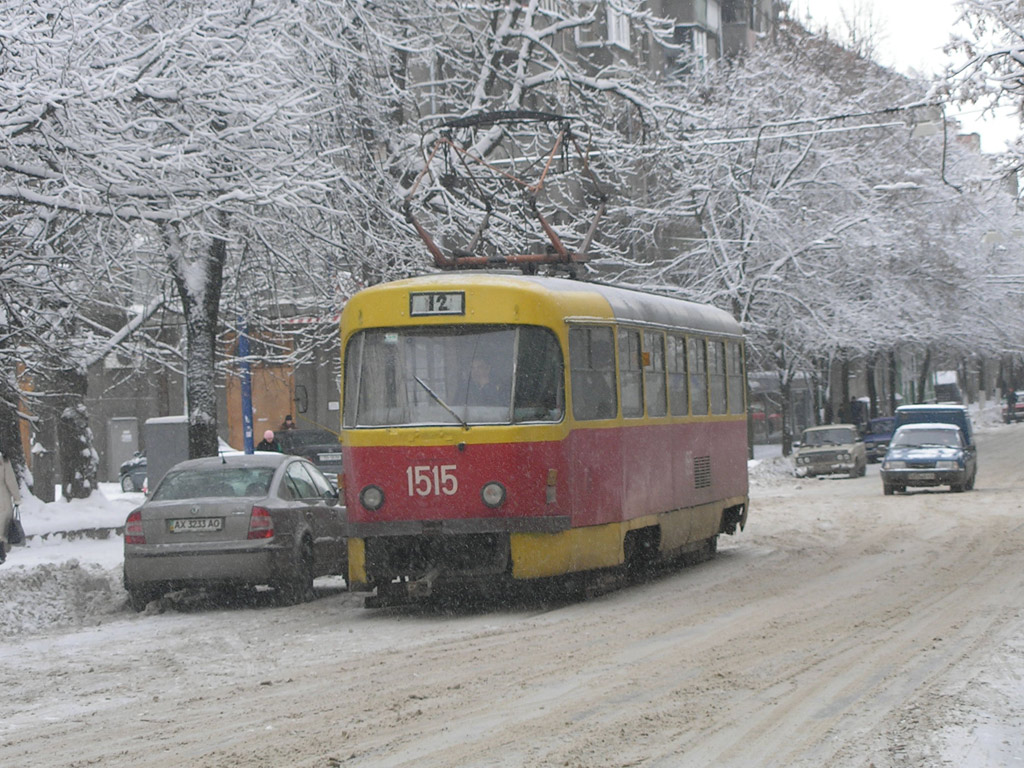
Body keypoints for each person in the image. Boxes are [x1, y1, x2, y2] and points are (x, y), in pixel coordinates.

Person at [0, 449, 22, 565]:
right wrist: (16, 498)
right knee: (1, 530)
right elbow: (10, 480)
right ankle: (1, 554)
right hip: (2, 499)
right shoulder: (3, 460)